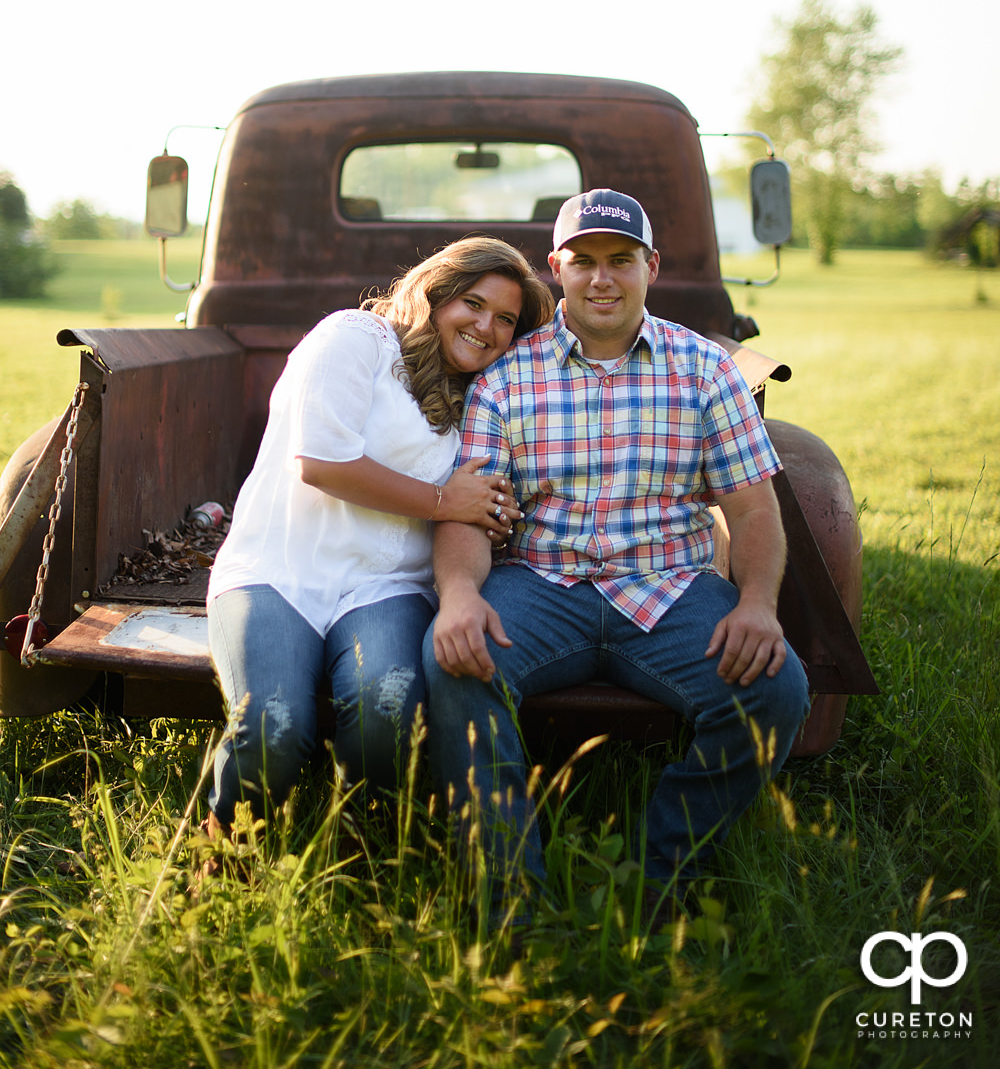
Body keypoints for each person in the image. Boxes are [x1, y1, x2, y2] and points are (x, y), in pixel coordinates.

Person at [423, 189, 811, 917]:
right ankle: (511, 897)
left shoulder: (704, 370)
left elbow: (753, 507)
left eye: (620, 260)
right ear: (556, 270)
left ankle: (663, 876)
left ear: (650, 266)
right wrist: (461, 596)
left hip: (671, 589)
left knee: (775, 687)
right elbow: (468, 514)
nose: (602, 278)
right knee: (455, 661)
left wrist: (757, 603)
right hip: (540, 583)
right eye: (585, 261)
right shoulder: (507, 376)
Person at [205, 236, 554, 834]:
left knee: (385, 710)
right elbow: (321, 461)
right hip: (280, 569)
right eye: (472, 303)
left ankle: (360, 847)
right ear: (435, 295)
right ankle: (222, 856)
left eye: (505, 320)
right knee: (272, 726)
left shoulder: (485, 397)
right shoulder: (355, 338)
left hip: (389, 584)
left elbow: (484, 500)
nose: (485, 327)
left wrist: (492, 515)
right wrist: (447, 501)